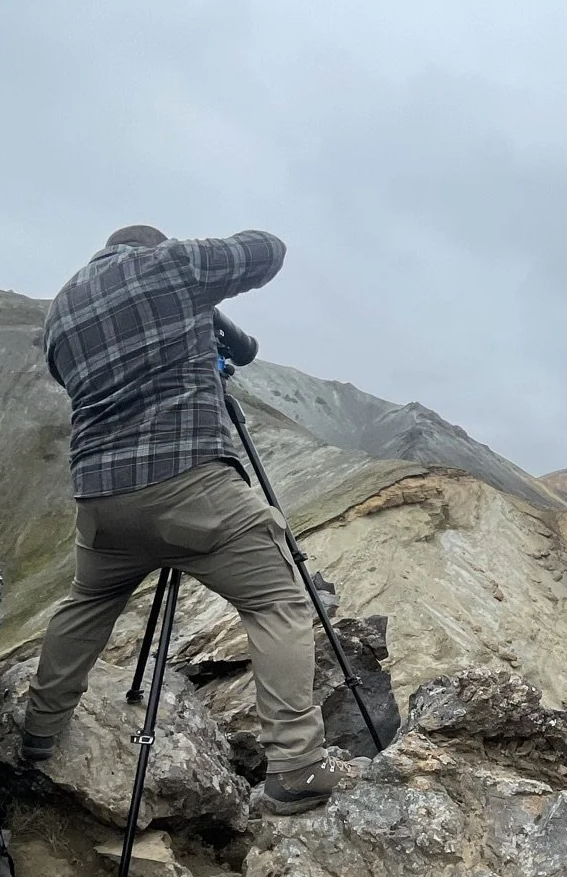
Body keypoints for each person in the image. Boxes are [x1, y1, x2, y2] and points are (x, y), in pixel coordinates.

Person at [20, 223, 336, 815]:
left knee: (86, 604)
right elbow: (269, 250)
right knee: (277, 602)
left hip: (100, 499)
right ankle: (295, 767)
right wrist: (198, 289)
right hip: (191, 483)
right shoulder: (167, 266)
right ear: (148, 246)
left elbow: (70, 380)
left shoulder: (60, 313)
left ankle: (39, 733)